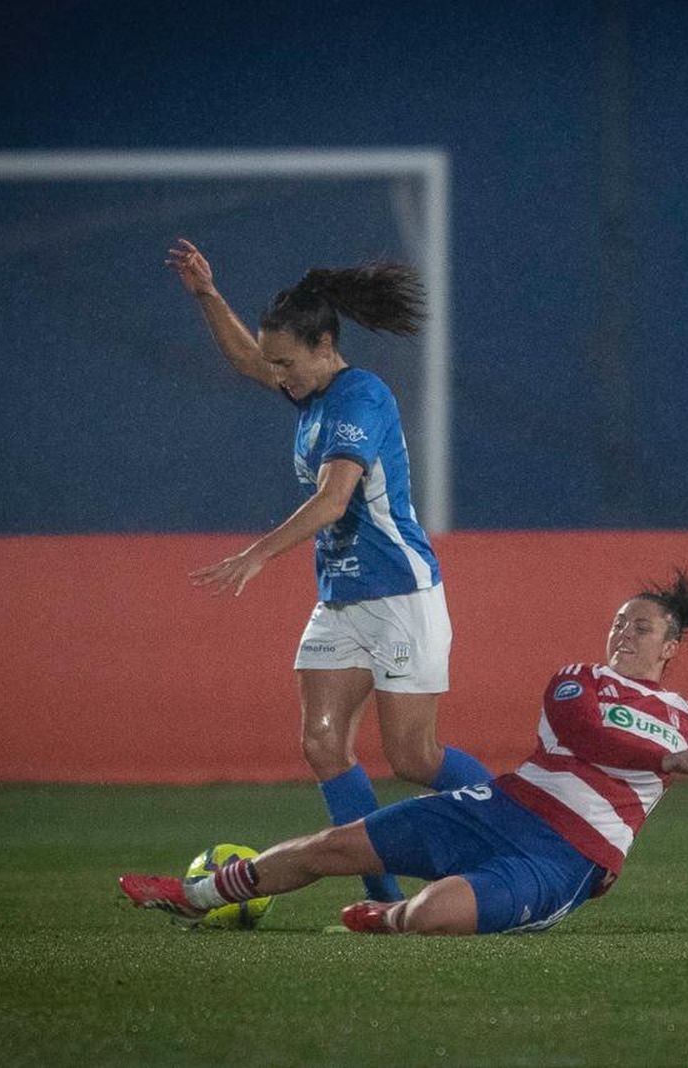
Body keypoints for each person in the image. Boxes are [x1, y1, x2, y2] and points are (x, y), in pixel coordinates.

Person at [119, 569, 688, 935]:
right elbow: (587, 736)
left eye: (642, 627)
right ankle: (193, 894)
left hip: (561, 861)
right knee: (331, 847)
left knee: (433, 918)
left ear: (670, 648)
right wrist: (661, 764)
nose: (624, 632)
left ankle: (389, 919)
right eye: (619, 621)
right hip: (494, 809)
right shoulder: (576, 679)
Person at [165, 238, 490, 903]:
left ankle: (527, 829)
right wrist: (206, 293)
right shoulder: (308, 393)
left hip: (400, 593)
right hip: (341, 598)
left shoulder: (359, 398)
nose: (277, 375)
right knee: (322, 743)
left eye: (287, 362)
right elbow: (245, 358)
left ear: (324, 348)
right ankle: (383, 896)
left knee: (414, 759)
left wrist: (257, 553)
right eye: (275, 363)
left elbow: (335, 498)